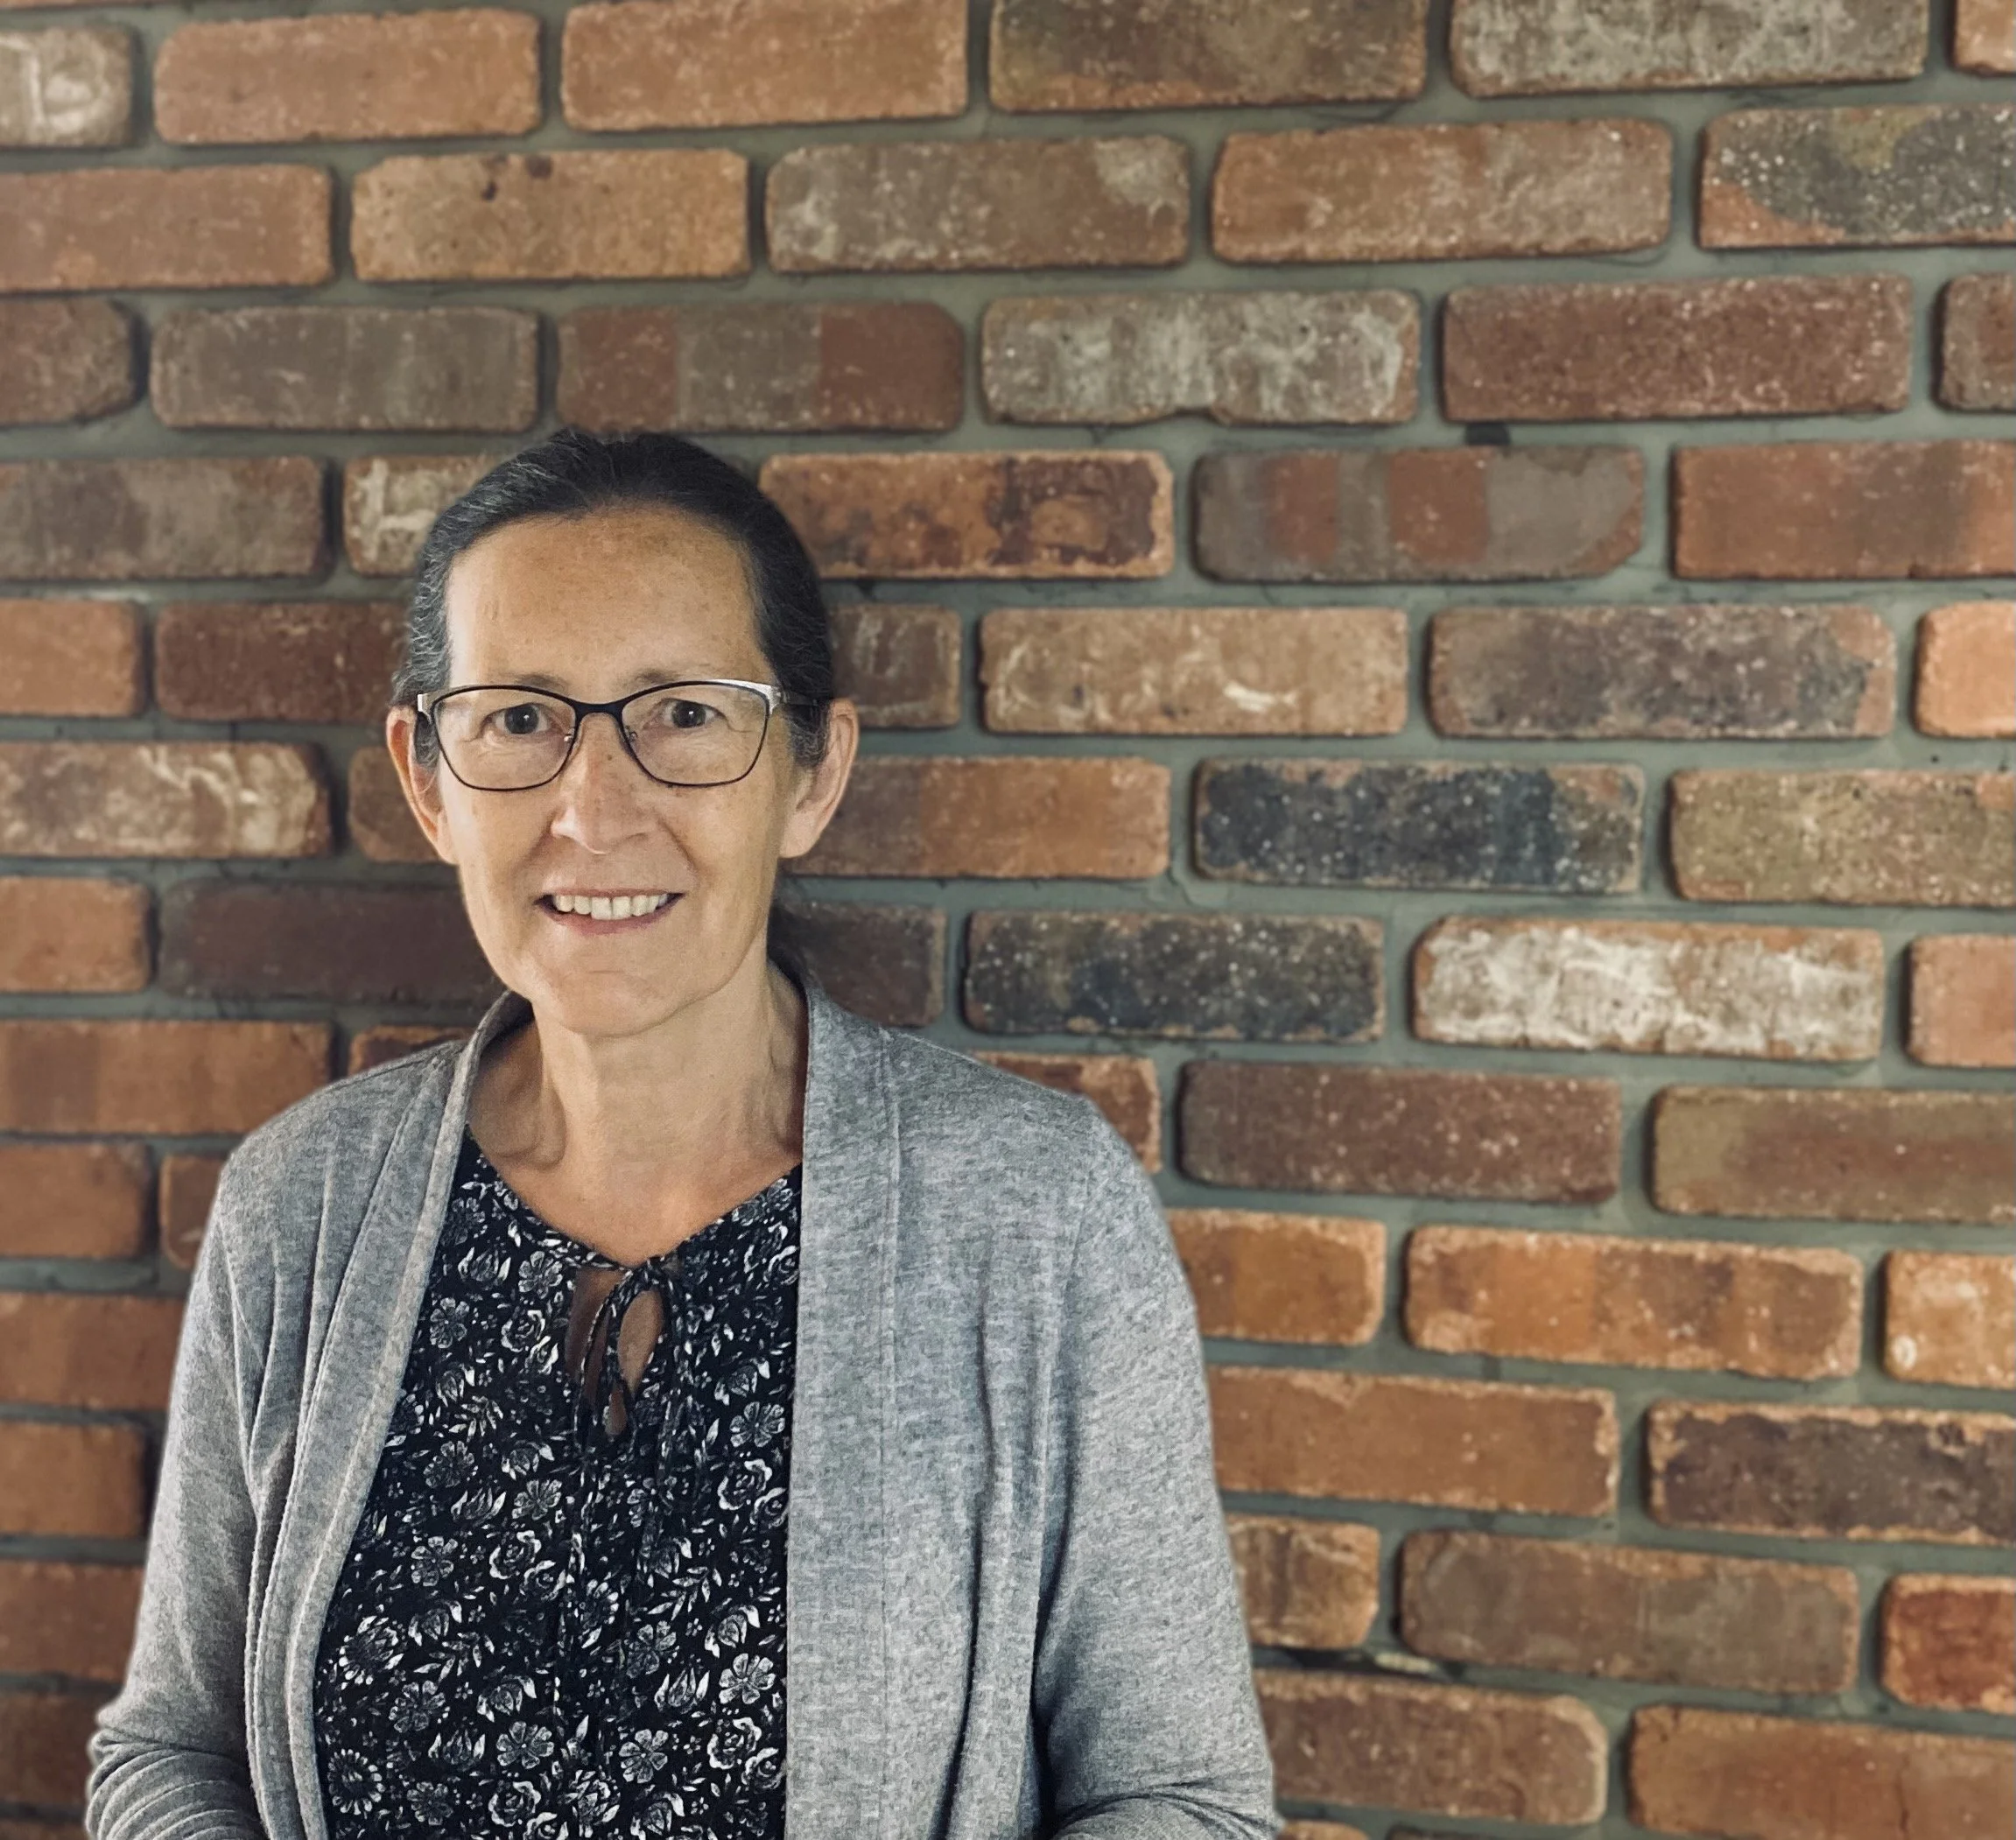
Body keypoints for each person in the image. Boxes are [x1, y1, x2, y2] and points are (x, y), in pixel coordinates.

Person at [83, 427, 1280, 1840]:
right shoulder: (303, 1202)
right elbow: (168, 1747)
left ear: (812, 773)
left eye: (687, 715)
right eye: (517, 719)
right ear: (428, 778)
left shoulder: (1035, 1213)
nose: (592, 811)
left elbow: (1179, 1798)